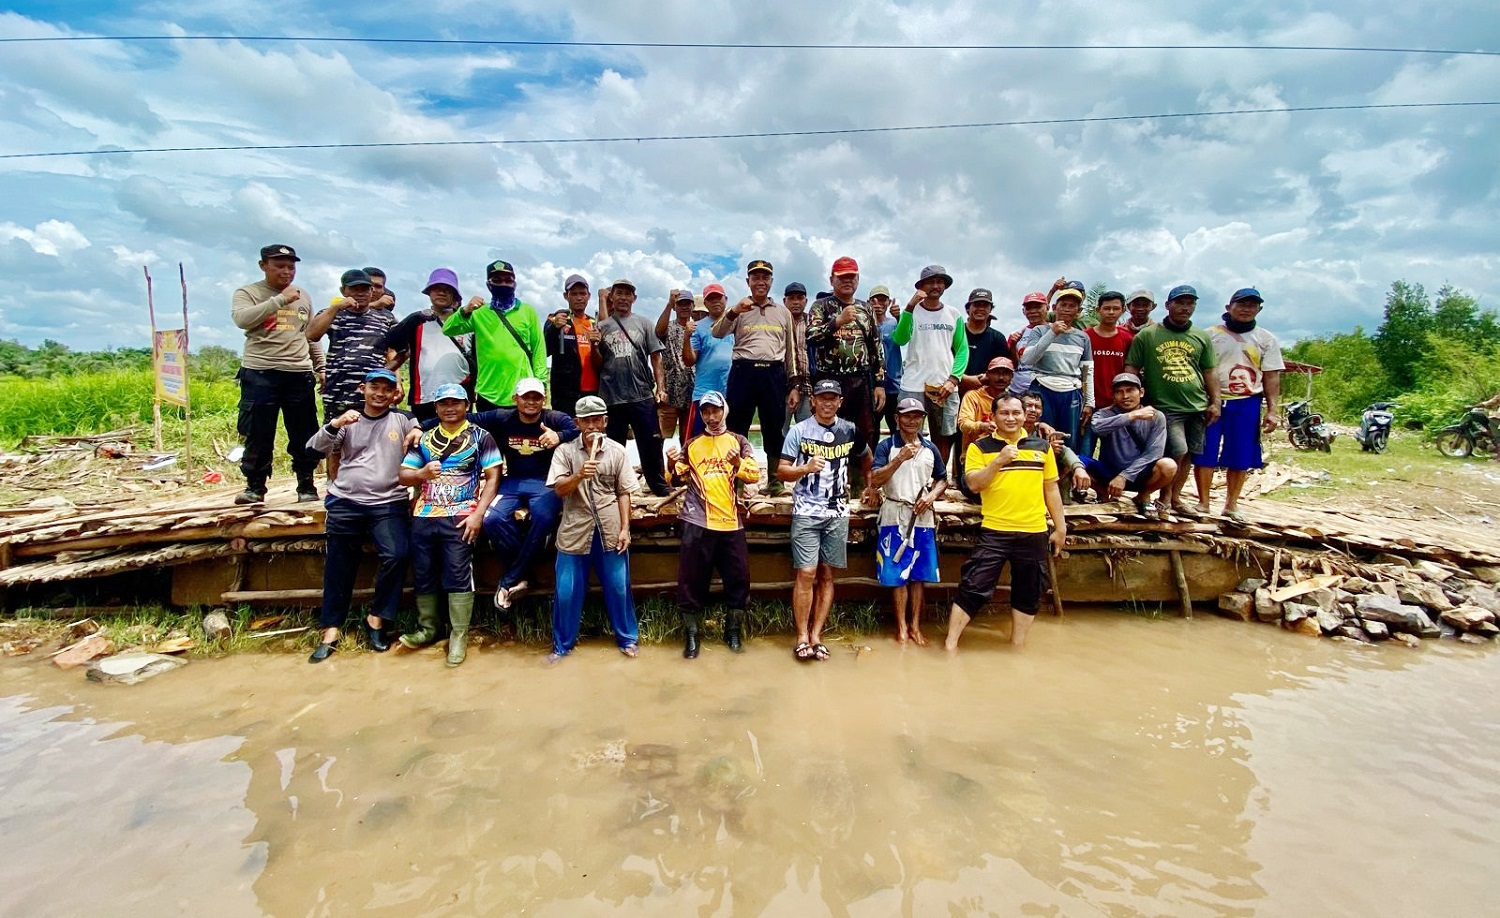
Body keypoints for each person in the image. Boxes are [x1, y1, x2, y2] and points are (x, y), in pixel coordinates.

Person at [305, 369, 419, 663]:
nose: (380, 394)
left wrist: (417, 432)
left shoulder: (403, 419)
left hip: (389, 502)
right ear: (362, 389)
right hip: (347, 501)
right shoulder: (348, 420)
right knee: (339, 565)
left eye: (387, 389)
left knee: (397, 554)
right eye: (374, 387)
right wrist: (334, 423)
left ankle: (377, 618)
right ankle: (331, 628)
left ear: (395, 393)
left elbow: (420, 433)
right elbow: (313, 449)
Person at [945, 394, 1067, 652]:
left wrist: (1060, 527)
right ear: (993, 417)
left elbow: (1051, 489)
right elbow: (975, 485)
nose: (1011, 418)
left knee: (1030, 591)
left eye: (1016, 413)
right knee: (973, 585)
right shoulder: (980, 447)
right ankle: (950, 644)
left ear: (1025, 415)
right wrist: (1000, 460)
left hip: (1034, 530)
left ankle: (1017, 645)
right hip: (995, 530)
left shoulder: (1041, 447)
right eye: (1004, 413)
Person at [397, 383, 502, 666]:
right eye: (444, 403)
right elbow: (403, 475)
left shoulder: (481, 437)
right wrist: (421, 472)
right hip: (424, 514)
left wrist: (479, 514)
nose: (450, 408)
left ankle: (458, 634)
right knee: (423, 571)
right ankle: (428, 628)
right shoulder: (425, 439)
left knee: (458, 573)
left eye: (456, 402)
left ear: (467, 405)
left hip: (461, 515)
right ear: (436, 408)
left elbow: (493, 476)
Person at [460, 377, 581, 609]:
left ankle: (509, 579)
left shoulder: (553, 418)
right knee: (492, 519)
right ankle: (523, 575)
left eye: (537, 397)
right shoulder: (502, 417)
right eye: (526, 397)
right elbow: (461, 417)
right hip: (512, 480)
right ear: (515, 399)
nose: (531, 402)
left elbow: (577, 428)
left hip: (545, 481)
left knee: (544, 518)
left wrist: (559, 436)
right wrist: (416, 424)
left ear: (544, 399)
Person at [779, 379, 872, 662]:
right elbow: (782, 471)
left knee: (828, 574)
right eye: (822, 398)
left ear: (840, 402)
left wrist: (870, 486)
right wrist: (805, 468)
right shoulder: (799, 431)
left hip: (838, 512)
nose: (828, 403)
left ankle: (817, 634)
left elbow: (865, 456)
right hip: (807, 509)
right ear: (814, 401)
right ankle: (801, 637)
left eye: (833, 398)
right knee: (807, 573)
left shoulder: (850, 430)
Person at [546, 395, 640, 661]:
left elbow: (624, 493)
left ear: (605, 421)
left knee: (619, 587)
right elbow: (558, 489)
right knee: (566, 592)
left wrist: (625, 529)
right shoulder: (564, 452)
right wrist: (578, 475)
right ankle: (562, 645)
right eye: (586, 420)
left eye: (596, 419)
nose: (591, 426)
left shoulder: (617, 452)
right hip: (575, 530)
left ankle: (627, 639)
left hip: (610, 530)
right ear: (577, 422)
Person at [667, 390, 760, 658]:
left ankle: (733, 633)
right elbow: (675, 479)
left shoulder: (739, 441)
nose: (711, 416)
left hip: (731, 523)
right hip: (696, 521)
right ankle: (692, 637)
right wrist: (671, 462)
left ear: (724, 411)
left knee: (739, 579)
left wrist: (737, 462)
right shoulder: (692, 444)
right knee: (690, 581)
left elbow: (753, 475)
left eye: (715, 410)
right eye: (706, 411)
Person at [230, 243, 321, 504]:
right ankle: (255, 487)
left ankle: (306, 484)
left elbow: (311, 334)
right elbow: (242, 320)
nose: (286, 271)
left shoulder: (303, 295)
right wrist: (280, 300)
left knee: (304, 432)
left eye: (291, 267)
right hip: (260, 371)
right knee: (258, 432)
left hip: (298, 372)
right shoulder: (248, 292)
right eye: (279, 266)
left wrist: (320, 367)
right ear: (263, 266)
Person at [1124, 284, 1220, 515]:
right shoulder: (1148, 336)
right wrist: (1132, 397)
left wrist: (1215, 401)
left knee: (1189, 454)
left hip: (1196, 404)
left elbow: (1209, 371)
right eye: (1180, 303)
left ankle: (1175, 498)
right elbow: (1132, 368)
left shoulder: (1201, 336)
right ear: (1168, 306)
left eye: (1190, 303)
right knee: (1177, 449)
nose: (1185, 308)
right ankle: (1164, 498)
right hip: (1164, 405)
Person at [1193, 288, 1284, 525]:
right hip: (1210, 400)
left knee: (1240, 454)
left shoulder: (1265, 339)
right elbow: (1198, 368)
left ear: (1259, 309)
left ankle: (1231, 504)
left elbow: (1271, 376)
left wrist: (1273, 410)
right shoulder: (1209, 335)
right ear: (1228, 307)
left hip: (1247, 401)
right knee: (1205, 451)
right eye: (1241, 304)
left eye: (1252, 305)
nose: (1246, 309)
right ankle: (1203, 502)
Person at [872, 397, 948, 645]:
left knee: (919, 575)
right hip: (894, 513)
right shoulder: (887, 447)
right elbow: (875, 479)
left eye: (917, 416)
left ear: (922, 419)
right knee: (896, 573)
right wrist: (899, 459)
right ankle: (901, 628)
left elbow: (942, 479)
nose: (912, 420)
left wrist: (932, 496)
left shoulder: (930, 448)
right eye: (907, 415)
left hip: (922, 516)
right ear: (897, 418)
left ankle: (915, 626)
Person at [713, 260, 794, 491]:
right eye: (755, 277)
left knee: (774, 427)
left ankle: (776, 481)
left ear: (771, 282)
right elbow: (717, 332)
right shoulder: (739, 309)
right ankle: (736, 481)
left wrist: (793, 385)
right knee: (737, 426)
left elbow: (790, 351)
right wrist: (734, 310)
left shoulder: (783, 312)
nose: (760, 282)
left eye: (765, 277)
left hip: (773, 373)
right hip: (743, 372)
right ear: (748, 281)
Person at [593, 278, 671, 496]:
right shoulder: (601, 327)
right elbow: (597, 364)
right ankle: (612, 487)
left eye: (628, 294)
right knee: (612, 447)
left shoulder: (644, 323)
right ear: (612, 297)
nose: (624, 298)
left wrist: (661, 387)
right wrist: (593, 345)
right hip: (611, 396)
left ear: (634, 298)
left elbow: (656, 357)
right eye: (619, 293)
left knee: (651, 444)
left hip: (641, 394)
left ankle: (657, 484)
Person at [806, 256, 887, 461]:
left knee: (864, 431)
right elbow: (811, 336)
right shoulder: (820, 306)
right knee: (829, 429)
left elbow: (875, 347)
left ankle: (861, 484)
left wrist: (879, 383)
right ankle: (831, 479)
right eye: (842, 277)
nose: (847, 281)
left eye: (851, 277)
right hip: (829, 380)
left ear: (858, 280)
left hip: (860, 380)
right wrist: (837, 322)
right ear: (832, 279)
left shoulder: (866, 308)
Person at [444, 259, 548, 410]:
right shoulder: (478, 312)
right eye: (497, 280)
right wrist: (465, 310)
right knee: (487, 435)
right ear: (488, 284)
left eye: (508, 280)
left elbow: (539, 348)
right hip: (488, 393)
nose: (503, 284)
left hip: (523, 392)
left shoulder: (527, 311)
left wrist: (541, 383)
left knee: (520, 435)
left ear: (515, 283)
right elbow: (448, 329)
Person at [891, 265, 968, 468]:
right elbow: (899, 339)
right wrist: (909, 307)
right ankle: (911, 478)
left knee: (943, 434)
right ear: (921, 286)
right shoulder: (912, 311)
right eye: (930, 282)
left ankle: (938, 480)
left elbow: (962, 350)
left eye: (939, 282)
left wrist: (953, 379)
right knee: (908, 433)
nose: (935, 286)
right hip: (913, 385)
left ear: (945, 286)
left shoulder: (954, 314)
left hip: (944, 385)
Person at [379, 267, 475, 422]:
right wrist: (412, 319)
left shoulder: (468, 323)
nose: (441, 293)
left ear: (454, 296)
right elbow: (392, 341)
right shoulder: (417, 321)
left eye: (447, 290)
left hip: (459, 396)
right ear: (429, 293)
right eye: (436, 289)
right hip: (425, 397)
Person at [1083, 373, 1177, 518]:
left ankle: (1143, 495)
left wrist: (1124, 476)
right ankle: (1103, 493)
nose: (1125, 396)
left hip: (1139, 474)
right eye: (1119, 392)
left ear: (1142, 392)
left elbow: (1154, 453)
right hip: (1109, 472)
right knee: (1076, 461)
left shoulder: (1156, 416)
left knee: (1168, 465)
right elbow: (1096, 427)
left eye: (1130, 390)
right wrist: (1132, 416)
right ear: (1113, 396)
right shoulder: (1104, 414)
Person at [1017, 284, 1094, 447]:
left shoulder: (1082, 337)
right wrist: (1052, 333)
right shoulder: (1039, 330)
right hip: (1042, 388)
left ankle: (1066, 471)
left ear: (1078, 311)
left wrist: (1089, 402)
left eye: (1072, 306)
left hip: (1071, 390)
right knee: (1041, 436)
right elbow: (1027, 359)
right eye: (1063, 305)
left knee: (1068, 439)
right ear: (1054, 307)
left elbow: (1087, 372)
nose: (1067, 309)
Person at [1080, 290, 1134, 458]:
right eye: (1107, 308)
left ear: (1123, 310)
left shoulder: (1127, 338)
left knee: (1114, 456)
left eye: (1115, 308)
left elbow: (1130, 372)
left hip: (1116, 407)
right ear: (1098, 310)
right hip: (1089, 405)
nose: (1111, 312)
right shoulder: (1085, 337)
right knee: (1084, 453)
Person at [956, 357, 1016, 499]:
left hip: (1005, 460)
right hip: (977, 460)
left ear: (1012, 377)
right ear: (987, 374)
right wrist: (982, 426)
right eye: (996, 373)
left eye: (1005, 373)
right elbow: (963, 424)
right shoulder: (973, 396)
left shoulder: (1013, 401)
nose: (1001, 377)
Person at [683, 286, 735, 439]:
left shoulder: (736, 323)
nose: (715, 302)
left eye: (718, 297)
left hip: (730, 392)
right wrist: (686, 337)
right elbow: (689, 361)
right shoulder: (698, 327)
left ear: (725, 299)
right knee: (698, 440)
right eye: (711, 299)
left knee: (730, 440)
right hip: (704, 393)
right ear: (705, 303)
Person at [544, 274, 598, 417]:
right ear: (566, 296)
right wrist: (554, 328)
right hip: (565, 393)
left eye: (582, 293)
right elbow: (544, 350)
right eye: (574, 294)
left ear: (589, 296)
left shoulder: (594, 323)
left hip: (592, 391)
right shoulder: (556, 320)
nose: (579, 298)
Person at [654, 288, 697, 444]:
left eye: (688, 304)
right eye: (680, 304)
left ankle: (685, 463)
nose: (684, 307)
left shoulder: (697, 328)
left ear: (693, 306)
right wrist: (669, 304)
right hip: (670, 386)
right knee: (661, 430)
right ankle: (657, 466)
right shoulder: (669, 326)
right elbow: (658, 332)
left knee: (687, 431)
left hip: (691, 386)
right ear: (675, 307)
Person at [957, 288, 1012, 394]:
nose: (981, 309)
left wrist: (987, 377)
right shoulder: (955, 333)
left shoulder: (998, 338)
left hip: (986, 393)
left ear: (991, 309)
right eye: (977, 305)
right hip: (954, 390)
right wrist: (965, 378)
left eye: (985, 305)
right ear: (968, 309)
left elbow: (1003, 368)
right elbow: (944, 362)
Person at [872, 284, 902, 438]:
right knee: (872, 429)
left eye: (883, 300)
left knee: (896, 428)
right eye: (874, 300)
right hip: (872, 386)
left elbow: (907, 335)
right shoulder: (864, 325)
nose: (878, 304)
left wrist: (899, 317)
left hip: (893, 385)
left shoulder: (895, 324)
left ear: (889, 302)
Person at [1008, 292, 1050, 397]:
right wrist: (1013, 345)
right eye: (1029, 308)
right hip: (1017, 391)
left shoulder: (1055, 331)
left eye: (1037, 307)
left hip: (1045, 390)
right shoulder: (1015, 334)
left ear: (1047, 308)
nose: (1033, 311)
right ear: (1023, 311)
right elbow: (1014, 365)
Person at [784, 282, 815, 427]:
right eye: (791, 298)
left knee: (808, 434)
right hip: (782, 387)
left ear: (806, 301)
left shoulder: (814, 323)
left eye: (800, 298)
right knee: (778, 433)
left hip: (808, 387)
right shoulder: (779, 322)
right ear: (785, 301)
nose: (795, 302)